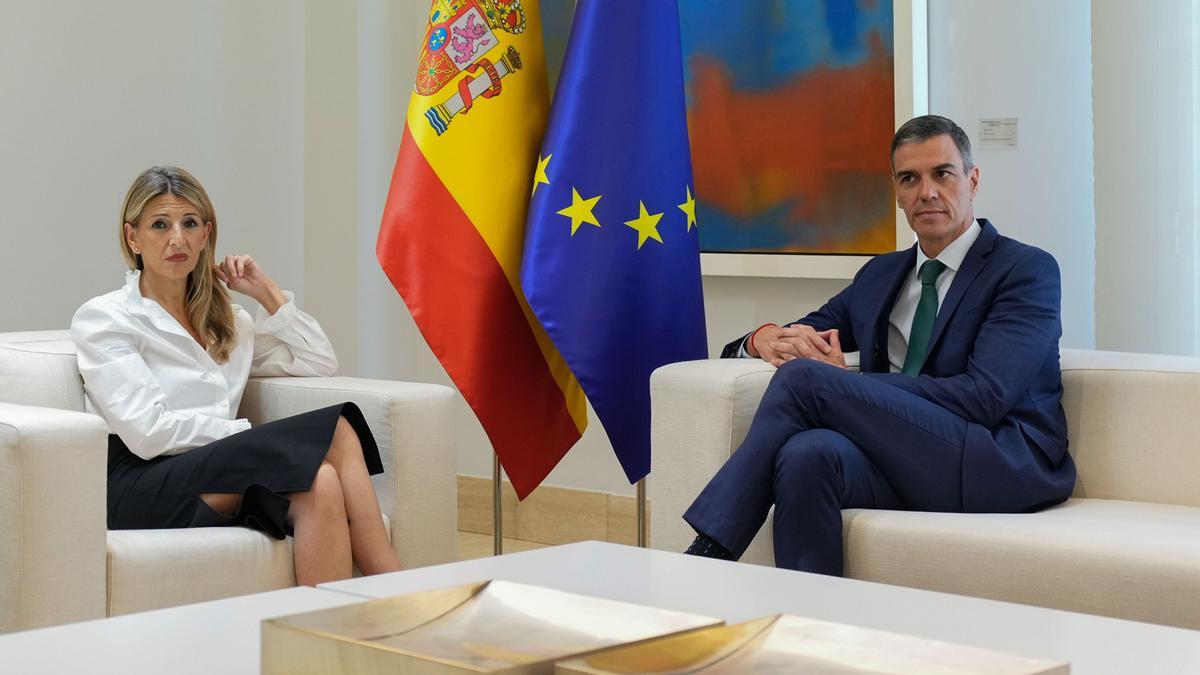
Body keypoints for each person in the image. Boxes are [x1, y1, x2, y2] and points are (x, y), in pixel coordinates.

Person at [682, 115, 1075, 575]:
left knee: (809, 380)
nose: (926, 191)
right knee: (806, 455)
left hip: (996, 460)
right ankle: (811, 625)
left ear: (972, 180)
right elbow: (807, 332)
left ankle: (705, 558)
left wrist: (853, 384)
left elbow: (984, 397)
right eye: (909, 178)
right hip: (904, 457)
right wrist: (760, 338)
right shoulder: (881, 275)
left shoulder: (1025, 270)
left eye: (942, 174)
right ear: (896, 191)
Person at [71, 166, 401, 585]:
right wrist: (243, 437)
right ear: (133, 237)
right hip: (140, 484)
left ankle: (321, 636)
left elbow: (317, 359)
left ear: (206, 233)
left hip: (214, 473)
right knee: (334, 429)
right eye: (159, 225)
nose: (178, 239)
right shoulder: (107, 317)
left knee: (320, 481)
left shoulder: (227, 321)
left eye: (190, 224)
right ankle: (397, 589)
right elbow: (147, 433)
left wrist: (266, 292)